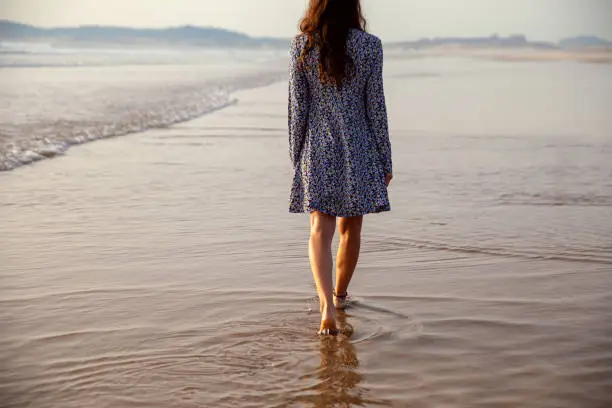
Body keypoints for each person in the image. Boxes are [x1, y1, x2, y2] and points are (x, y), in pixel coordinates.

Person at [288, 0, 393, 335]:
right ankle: (341, 295)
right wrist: (385, 158)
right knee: (350, 231)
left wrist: (297, 157)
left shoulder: (302, 45)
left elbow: (297, 107)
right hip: (359, 147)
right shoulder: (370, 46)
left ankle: (326, 307)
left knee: (319, 231)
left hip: (317, 148)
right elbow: (375, 105)